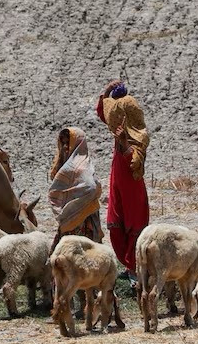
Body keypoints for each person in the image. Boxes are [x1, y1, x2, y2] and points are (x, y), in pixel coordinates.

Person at [95, 80, 150, 285]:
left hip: (132, 189)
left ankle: (135, 269)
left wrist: (124, 143)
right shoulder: (118, 132)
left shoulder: (139, 136)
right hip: (118, 185)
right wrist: (108, 90)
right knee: (116, 224)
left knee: (134, 225)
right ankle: (127, 266)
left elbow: (135, 163)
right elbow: (103, 113)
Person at [47, 127, 103, 249]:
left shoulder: (81, 166)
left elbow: (91, 188)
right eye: (63, 143)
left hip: (83, 219)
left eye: (69, 142)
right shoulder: (65, 166)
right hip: (69, 218)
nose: (66, 147)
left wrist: (79, 204)